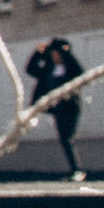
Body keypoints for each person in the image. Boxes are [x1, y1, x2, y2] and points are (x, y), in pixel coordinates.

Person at [26, 36, 86, 180]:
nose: (55, 57)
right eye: (53, 54)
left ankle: (77, 171)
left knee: (68, 138)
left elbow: (80, 72)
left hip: (71, 106)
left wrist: (65, 52)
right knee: (65, 139)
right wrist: (38, 53)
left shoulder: (70, 68)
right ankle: (75, 170)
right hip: (58, 108)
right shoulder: (49, 70)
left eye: (57, 53)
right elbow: (30, 69)